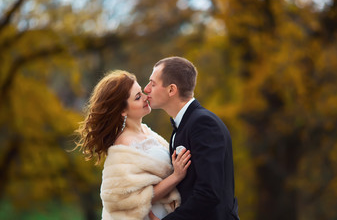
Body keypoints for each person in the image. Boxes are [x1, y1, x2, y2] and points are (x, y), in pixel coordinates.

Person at [75, 70, 191, 220]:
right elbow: (130, 200)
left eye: (141, 92)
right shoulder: (124, 145)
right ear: (123, 110)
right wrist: (176, 176)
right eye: (137, 97)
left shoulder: (147, 131)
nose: (145, 97)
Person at [144, 56, 240, 220]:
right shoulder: (183, 126)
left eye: (153, 84)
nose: (146, 89)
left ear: (171, 90)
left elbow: (209, 193)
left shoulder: (203, 124)